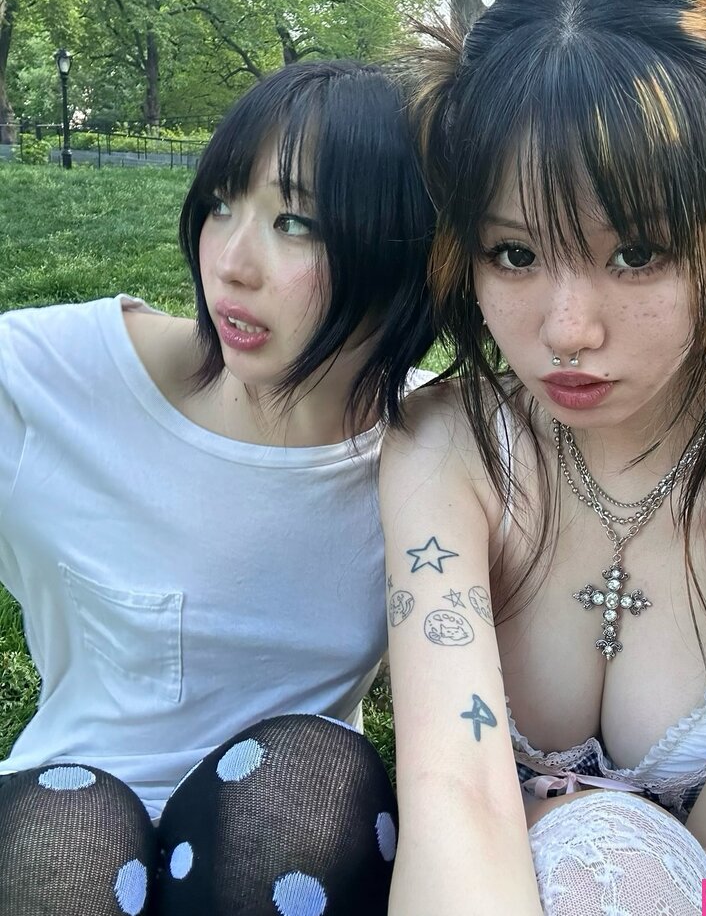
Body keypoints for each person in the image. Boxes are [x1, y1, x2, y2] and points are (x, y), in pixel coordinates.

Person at [381, 0, 706, 915]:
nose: (567, 329)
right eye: (514, 252)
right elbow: (456, 794)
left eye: (636, 253)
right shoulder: (453, 447)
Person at [0, 60, 435, 915]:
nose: (230, 262)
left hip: (282, 833)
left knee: (310, 780)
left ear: (403, 247)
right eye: (222, 203)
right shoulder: (51, 379)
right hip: (61, 820)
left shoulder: (432, 451)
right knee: (71, 835)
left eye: (297, 222)